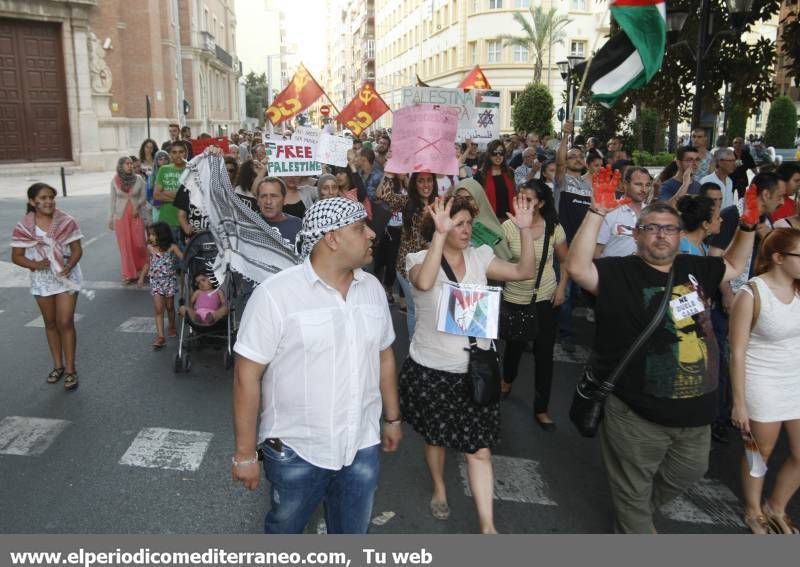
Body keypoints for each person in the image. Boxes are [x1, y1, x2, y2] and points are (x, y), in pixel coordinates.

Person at [565, 166, 759, 533]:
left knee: (689, 471)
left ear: (680, 235)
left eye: (669, 228)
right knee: (637, 512)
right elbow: (577, 268)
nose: (660, 235)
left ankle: (634, 508)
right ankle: (634, 515)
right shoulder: (619, 272)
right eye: (650, 228)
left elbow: (733, 265)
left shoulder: (693, 266)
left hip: (696, 417)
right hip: (637, 417)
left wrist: (747, 225)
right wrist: (596, 213)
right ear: (636, 235)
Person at [232, 197, 401, 534]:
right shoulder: (275, 295)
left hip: (361, 444)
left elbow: (384, 355)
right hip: (297, 451)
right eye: (359, 228)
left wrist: (393, 419)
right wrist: (245, 454)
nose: (371, 234)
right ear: (332, 238)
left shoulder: (372, 291)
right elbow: (246, 375)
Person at [400, 193, 536, 533]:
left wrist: (524, 231)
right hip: (433, 369)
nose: (466, 230)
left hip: (477, 369)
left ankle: (487, 527)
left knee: (480, 450)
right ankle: (440, 488)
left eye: (468, 224)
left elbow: (524, 271)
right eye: (458, 224)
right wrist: (439, 237)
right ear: (439, 227)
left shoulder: (481, 256)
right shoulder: (417, 258)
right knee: (436, 439)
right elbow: (425, 282)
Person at [729, 228, 800, 534]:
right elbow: (737, 351)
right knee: (761, 451)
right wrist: (740, 402)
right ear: (779, 258)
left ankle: (777, 505)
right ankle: (753, 509)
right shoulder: (752, 292)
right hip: (761, 378)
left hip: (795, 377)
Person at [500, 180, 568, 430]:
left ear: (540, 203)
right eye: (520, 197)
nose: (522, 202)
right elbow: (498, 261)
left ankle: (542, 408)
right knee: (514, 347)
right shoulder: (507, 227)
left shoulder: (553, 228)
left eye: (528, 199)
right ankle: (507, 380)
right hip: (515, 298)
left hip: (546, 298)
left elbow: (566, 261)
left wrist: (562, 288)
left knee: (544, 354)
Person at [11, 183, 83, 391]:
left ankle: (70, 369)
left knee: (65, 322)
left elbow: (77, 249)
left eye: (51, 197)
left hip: (66, 277)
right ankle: (57, 366)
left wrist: (68, 266)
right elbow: (16, 256)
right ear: (32, 202)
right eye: (42, 198)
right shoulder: (24, 227)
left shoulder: (66, 221)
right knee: (50, 323)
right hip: (42, 280)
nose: (48, 201)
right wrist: (35, 265)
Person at [376, 172, 437, 336]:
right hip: (406, 267)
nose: (426, 185)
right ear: (414, 184)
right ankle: (413, 348)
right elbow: (385, 196)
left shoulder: (440, 204)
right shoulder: (407, 202)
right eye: (421, 181)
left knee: (428, 312)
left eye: (429, 180)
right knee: (413, 310)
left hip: (432, 267)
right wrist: (388, 174)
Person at [138, 222, 183, 349]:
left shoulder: (172, 247)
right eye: (149, 235)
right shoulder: (150, 248)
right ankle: (161, 336)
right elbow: (147, 263)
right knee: (158, 309)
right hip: (156, 282)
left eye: (152, 235)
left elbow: (183, 257)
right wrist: (142, 277)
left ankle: (172, 326)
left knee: (169, 307)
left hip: (169, 281)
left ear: (162, 236)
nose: (150, 237)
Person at [595, 166, 651, 258]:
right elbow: (596, 252)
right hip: (611, 270)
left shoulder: (652, 214)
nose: (644, 189)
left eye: (647, 185)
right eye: (638, 184)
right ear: (625, 184)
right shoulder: (610, 212)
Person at [108, 156, 147, 284]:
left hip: (136, 215)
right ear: (121, 166)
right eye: (127, 164)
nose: (130, 166)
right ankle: (128, 274)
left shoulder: (139, 179)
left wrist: (137, 206)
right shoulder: (114, 180)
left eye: (131, 163)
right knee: (125, 246)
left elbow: (143, 196)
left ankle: (141, 269)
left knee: (139, 243)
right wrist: (110, 218)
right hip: (121, 217)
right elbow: (112, 200)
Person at [153, 141, 188, 242]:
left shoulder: (192, 170)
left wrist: (165, 192)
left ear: (186, 153)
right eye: (174, 152)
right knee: (167, 256)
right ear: (171, 154)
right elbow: (156, 195)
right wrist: (181, 197)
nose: (178, 155)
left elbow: (191, 197)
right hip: (166, 221)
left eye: (181, 152)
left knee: (185, 256)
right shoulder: (163, 169)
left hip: (186, 222)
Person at [474, 139, 516, 220]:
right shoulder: (480, 175)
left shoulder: (510, 172)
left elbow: (514, 195)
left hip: (509, 219)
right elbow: (477, 200)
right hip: (489, 220)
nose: (498, 156)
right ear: (489, 155)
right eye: (494, 153)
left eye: (501, 152)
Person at [256, 177, 302, 242]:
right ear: (257, 200)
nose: (268, 201)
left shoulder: (299, 226)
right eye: (263, 196)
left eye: (274, 196)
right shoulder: (248, 224)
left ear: (284, 199)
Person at [147, 150, 170, 223]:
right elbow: (149, 191)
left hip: (169, 205)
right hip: (157, 206)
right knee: (158, 227)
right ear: (156, 161)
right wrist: (154, 203)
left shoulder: (172, 173)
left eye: (165, 159)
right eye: (160, 159)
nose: (163, 161)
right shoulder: (152, 175)